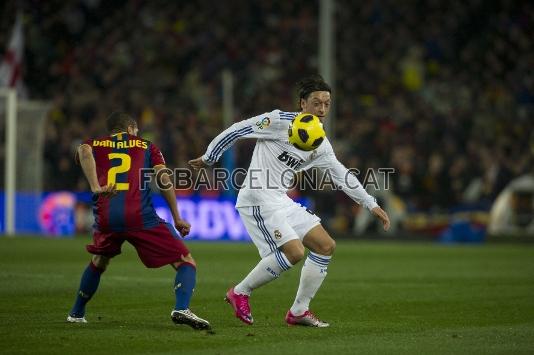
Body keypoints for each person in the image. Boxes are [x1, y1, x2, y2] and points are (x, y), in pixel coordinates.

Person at [189, 75, 390, 327]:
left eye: (327, 104)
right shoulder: (278, 121)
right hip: (257, 197)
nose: (322, 110)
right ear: (302, 104)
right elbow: (238, 129)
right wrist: (210, 156)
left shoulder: (321, 143)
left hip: (279, 200)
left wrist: (371, 204)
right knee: (295, 252)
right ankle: (240, 292)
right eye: (317, 103)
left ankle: (299, 310)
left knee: (325, 246)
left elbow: (341, 175)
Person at [67, 112, 210, 330]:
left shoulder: (95, 143)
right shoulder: (147, 146)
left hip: (106, 217)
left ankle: (76, 313)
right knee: (185, 261)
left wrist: (95, 187)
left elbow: (83, 151)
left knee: (100, 260)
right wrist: (177, 217)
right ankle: (182, 308)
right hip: (139, 216)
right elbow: (163, 179)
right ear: (132, 128)